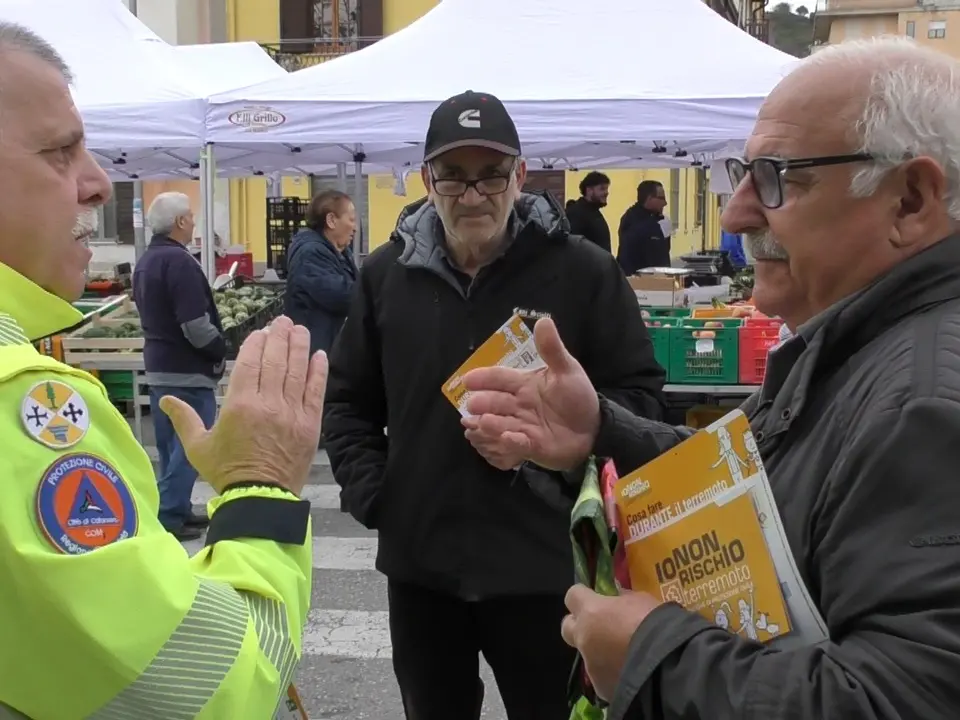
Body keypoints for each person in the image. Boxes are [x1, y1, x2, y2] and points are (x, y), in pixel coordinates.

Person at [459, 36, 960, 720]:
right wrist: (597, 433)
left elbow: (899, 699)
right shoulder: (862, 344)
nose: (736, 214)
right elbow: (754, 479)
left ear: (910, 200)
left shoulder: (925, 403)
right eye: (744, 175)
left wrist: (652, 657)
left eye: (780, 178)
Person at [0, 24, 326, 718]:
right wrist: (259, 485)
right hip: (183, 368)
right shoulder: (18, 403)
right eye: (60, 154)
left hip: (157, 365)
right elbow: (211, 686)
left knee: (173, 461)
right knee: (181, 459)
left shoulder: (142, 265)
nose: (96, 182)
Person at [323, 89, 666, 720]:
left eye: (490, 175)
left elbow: (640, 399)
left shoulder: (584, 273)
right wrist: (379, 496)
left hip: (545, 572)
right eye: (453, 177)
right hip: (424, 575)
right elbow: (346, 404)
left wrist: (559, 450)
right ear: (427, 179)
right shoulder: (384, 276)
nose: (473, 195)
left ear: (520, 174)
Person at [133, 191, 224, 541]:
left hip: (158, 365)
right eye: (191, 218)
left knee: (171, 445)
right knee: (191, 447)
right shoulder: (180, 262)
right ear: (181, 222)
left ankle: (179, 509)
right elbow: (194, 325)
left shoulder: (147, 260)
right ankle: (169, 516)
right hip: (186, 368)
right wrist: (220, 347)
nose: (194, 223)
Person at [285, 189, 359, 356]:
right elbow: (341, 295)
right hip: (315, 351)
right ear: (331, 220)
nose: (355, 228)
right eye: (352, 220)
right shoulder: (310, 253)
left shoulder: (337, 250)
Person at [616, 180, 671, 274]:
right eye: (661, 198)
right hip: (642, 280)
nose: (665, 203)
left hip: (659, 278)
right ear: (649, 198)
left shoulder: (657, 219)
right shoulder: (632, 221)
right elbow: (628, 257)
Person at [566, 171, 612, 252]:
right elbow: (574, 247)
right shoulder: (576, 213)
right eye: (602, 189)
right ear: (589, 190)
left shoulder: (593, 212)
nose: (606, 192)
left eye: (607, 188)